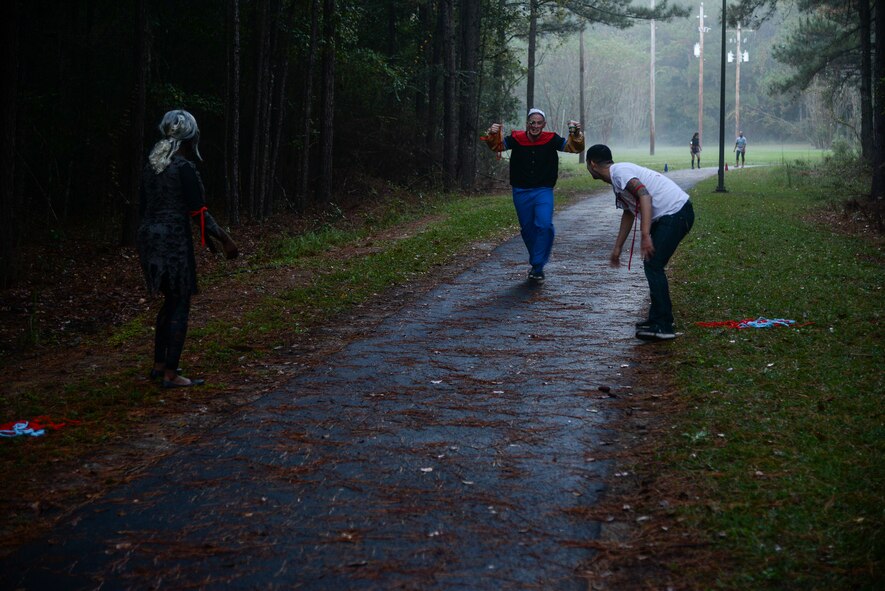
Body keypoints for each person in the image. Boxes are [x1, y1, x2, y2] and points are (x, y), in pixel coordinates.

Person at [137, 109, 239, 388]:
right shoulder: (183, 168)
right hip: (173, 241)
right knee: (179, 302)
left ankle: (159, 367)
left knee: (169, 300)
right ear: (190, 138)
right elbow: (198, 212)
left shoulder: (151, 166)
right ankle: (171, 374)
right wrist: (224, 238)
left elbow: (143, 207)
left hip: (148, 239)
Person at [585, 144, 694, 341]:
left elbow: (644, 195)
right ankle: (657, 319)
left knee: (653, 264)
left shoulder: (619, 172)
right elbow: (628, 212)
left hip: (676, 213)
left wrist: (645, 235)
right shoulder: (617, 180)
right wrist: (618, 247)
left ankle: (663, 325)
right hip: (671, 215)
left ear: (592, 164)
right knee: (652, 264)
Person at [483, 108, 585, 283]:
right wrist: (492, 133)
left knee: (544, 225)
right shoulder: (516, 139)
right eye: (532, 122)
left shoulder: (551, 139)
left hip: (543, 190)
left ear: (544, 125)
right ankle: (537, 266)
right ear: (527, 124)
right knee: (528, 229)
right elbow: (497, 146)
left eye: (539, 123)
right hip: (520, 191)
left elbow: (572, 148)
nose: (535, 126)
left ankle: (537, 265)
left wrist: (576, 133)